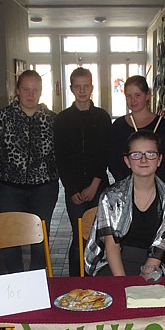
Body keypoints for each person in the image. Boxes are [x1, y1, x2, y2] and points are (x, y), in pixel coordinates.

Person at [84, 130, 165, 277]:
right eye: (136, 155)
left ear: (159, 160)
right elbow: (112, 246)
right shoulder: (111, 196)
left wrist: (146, 278)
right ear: (127, 161)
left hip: (155, 264)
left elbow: (159, 249)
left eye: (150, 154)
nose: (143, 160)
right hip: (115, 263)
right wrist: (123, 282)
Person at [0, 70, 58, 273]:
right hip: (10, 188)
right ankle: (16, 281)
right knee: (11, 238)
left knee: (40, 238)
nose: (30, 94)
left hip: (44, 188)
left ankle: (38, 280)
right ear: (17, 90)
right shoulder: (2, 117)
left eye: (35, 90)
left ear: (41, 91)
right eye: (26, 89)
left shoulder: (52, 119)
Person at [53, 67, 112, 276]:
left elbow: (104, 153)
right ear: (71, 88)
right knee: (79, 237)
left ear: (92, 87)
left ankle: (98, 279)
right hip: (74, 190)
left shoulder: (102, 117)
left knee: (99, 236)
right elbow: (61, 157)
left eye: (86, 86)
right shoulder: (62, 119)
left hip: (98, 186)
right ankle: (76, 282)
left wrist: (95, 184)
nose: (82, 90)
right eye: (77, 86)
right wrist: (71, 189)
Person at [107, 75, 165, 182]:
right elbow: (113, 159)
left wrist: (151, 182)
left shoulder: (161, 124)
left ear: (147, 95)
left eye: (137, 95)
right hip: (125, 185)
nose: (133, 100)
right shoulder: (118, 125)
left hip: (153, 185)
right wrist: (127, 183)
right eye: (128, 96)